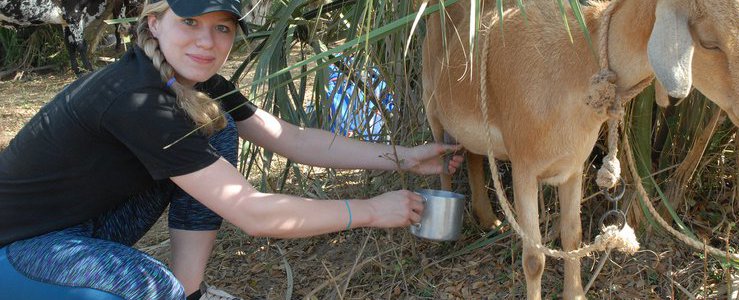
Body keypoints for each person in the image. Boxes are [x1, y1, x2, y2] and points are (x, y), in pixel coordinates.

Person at [0, 0, 464, 299]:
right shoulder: (137, 98)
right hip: (20, 249)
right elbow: (253, 214)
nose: (207, 41)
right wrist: (371, 209)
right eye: (189, 22)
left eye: (221, 28)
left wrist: (406, 156)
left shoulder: (192, 84)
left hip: (85, 225)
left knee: (214, 125)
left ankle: (191, 290)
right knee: (146, 289)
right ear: (154, 22)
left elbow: (293, 139)